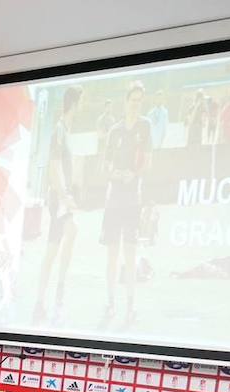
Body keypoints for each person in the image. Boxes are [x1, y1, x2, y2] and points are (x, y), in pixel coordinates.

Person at [100, 82, 152, 328]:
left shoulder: (145, 126)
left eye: (139, 101)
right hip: (114, 199)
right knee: (112, 253)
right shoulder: (115, 130)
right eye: (133, 100)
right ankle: (110, 301)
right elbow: (106, 164)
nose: (136, 104)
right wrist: (115, 174)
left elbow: (148, 162)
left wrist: (134, 174)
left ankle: (131, 303)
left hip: (133, 199)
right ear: (126, 101)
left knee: (130, 254)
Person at [33, 85, 83, 321]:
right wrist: (64, 196)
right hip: (58, 198)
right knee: (52, 249)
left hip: (64, 198)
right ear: (74, 103)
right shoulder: (59, 131)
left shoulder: (68, 131)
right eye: (80, 103)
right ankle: (41, 298)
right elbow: (54, 167)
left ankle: (57, 289)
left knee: (72, 232)